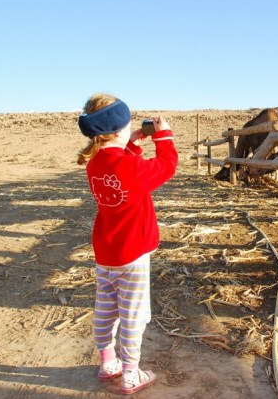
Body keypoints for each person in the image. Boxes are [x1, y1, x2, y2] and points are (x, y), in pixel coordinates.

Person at [77, 93, 178, 395]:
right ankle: (131, 374)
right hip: (133, 256)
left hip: (106, 253)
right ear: (118, 128)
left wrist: (131, 143)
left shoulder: (94, 164)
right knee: (134, 316)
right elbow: (167, 165)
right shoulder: (130, 168)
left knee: (106, 310)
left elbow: (120, 169)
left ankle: (108, 362)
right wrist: (163, 137)